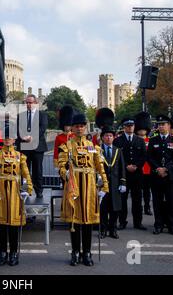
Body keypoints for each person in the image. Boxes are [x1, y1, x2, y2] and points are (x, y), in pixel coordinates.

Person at [58, 113, 109, 267]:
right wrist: (65, 173)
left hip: (90, 187)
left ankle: (86, 252)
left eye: (82, 126)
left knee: (87, 221)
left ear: (85, 127)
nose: (79, 128)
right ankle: (75, 252)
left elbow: (100, 166)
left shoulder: (93, 147)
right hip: (74, 186)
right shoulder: (66, 146)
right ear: (72, 128)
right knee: (75, 221)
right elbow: (61, 165)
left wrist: (104, 183)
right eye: (76, 126)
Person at [0, 122, 33, 266]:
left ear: (14, 140)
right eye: (5, 137)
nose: (8, 140)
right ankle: (2, 252)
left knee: (13, 224)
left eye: (10, 137)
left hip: (15, 192)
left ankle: (13, 252)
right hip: (0, 191)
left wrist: (28, 189)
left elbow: (26, 174)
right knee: (1, 225)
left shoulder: (20, 156)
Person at [148, 115, 173, 236]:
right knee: (157, 202)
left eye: (163, 124)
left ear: (169, 126)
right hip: (157, 176)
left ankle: (172, 226)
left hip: (170, 176)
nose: (161, 126)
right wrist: (158, 168)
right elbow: (150, 157)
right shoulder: (153, 140)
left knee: (171, 201)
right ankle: (158, 225)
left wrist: (166, 169)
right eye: (159, 124)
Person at [114, 117, 147, 231]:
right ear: (124, 127)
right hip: (124, 174)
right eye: (127, 126)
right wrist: (126, 166)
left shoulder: (140, 140)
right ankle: (122, 221)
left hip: (137, 174)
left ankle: (138, 222)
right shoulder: (118, 140)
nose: (130, 127)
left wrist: (136, 166)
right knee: (122, 199)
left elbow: (144, 156)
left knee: (137, 199)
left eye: (132, 126)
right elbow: (117, 157)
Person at [17, 94, 48, 199]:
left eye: (30, 102)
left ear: (36, 103)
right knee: (24, 170)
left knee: (37, 170)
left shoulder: (42, 115)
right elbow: (19, 129)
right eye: (27, 102)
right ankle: (24, 189)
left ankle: (38, 191)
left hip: (37, 147)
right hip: (25, 146)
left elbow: (42, 128)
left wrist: (32, 137)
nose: (28, 104)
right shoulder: (21, 115)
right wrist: (23, 137)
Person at [100, 126, 126, 239]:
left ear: (114, 137)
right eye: (106, 135)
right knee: (103, 209)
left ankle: (113, 229)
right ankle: (103, 230)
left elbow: (122, 168)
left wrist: (123, 183)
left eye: (110, 136)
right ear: (102, 138)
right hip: (102, 185)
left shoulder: (118, 150)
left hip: (115, 184)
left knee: (115, 208)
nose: (108, 138)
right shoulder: (97, 150)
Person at [135, 112, 153, 216]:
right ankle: (138, 209)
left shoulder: (150, 140)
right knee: (137, 192)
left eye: (144, 129)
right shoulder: (134, 140)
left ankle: (147, 207)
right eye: (140, 129)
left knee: (147, 191)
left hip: (148, 169)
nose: (142, 131)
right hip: (138, 169)